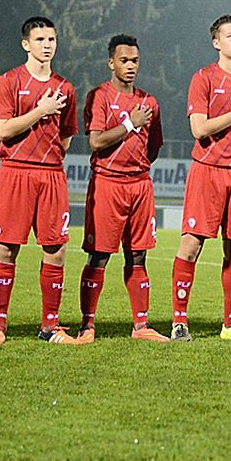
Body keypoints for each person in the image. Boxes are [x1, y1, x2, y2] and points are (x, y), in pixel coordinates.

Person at [0, 16, 78, 345]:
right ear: (26, 44)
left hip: (50, 175)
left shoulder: (65, 87)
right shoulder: (9, 81)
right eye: (40, 40)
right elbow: (3, 130)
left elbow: (66, 137)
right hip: (16, 172)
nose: (47, 45)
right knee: (7, 249)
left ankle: (50, 326)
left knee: (56, 249)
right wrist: (41, 110)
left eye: (51, 39)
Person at [170, 14, 231, 342]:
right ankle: (179, 321)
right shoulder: (204, 78)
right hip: (208, 172)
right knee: (192, 243)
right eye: (230, 36)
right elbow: (199, 129)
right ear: (216, 43)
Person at [77, 34, 168, 343]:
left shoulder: (150, 102)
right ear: (111, 62)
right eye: (124, 60)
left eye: (135, 61)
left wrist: (137, 165)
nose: (130, 66)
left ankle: (141, 326)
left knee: (138, 256)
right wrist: (131, 124)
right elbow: (96, 141)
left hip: (140, 185)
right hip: (107, 184)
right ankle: (87, 325)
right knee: (99, 256)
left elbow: (154, 146)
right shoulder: (98, 96)